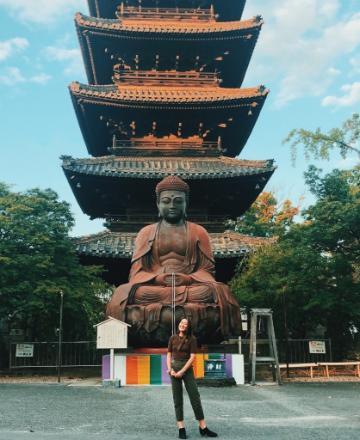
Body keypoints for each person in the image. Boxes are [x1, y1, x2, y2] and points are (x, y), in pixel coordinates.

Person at [106, 175, 241, 345]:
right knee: (125, 292)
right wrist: (156, 277)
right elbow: (137, 271)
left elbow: (207, 270)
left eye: (178, 201)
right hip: (155, 288)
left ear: (186, 204)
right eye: (166, 201)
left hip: (190, 287)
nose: (172, 205)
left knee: (217, 291)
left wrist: (189, 278)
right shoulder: (146, 233)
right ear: (158, 204)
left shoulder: (199, 232)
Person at [167, 318, 218, 439]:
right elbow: (168, 354)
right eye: (181, 323)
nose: (182, 325)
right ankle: (181, 428)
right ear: (178, 324)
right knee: (177, 399)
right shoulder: (172, 338)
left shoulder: (192, 339)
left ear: (188, 327)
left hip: (187, 369)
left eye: (185, 324)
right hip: (174, 370)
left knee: (195, 397)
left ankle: (203, 427)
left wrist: (182, 371)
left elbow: (192, 357)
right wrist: (170, 369)